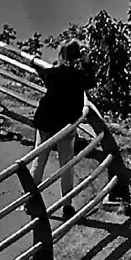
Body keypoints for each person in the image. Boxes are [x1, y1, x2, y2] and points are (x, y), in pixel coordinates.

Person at [28, 40, 98, 217]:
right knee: (66, 165)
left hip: (45, 120)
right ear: (77, 57)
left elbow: (43, 71)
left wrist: (33, 60)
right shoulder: (79, 77)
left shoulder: (52, 73)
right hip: (66, 126)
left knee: (38, 161)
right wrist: (87, 62)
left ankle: (30, 201)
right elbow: (91, 81)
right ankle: (67, 206)